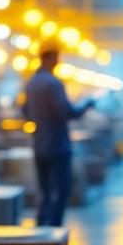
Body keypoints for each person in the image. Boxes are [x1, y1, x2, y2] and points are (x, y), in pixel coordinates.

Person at [21, 42, 95, 226]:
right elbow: (67, 112)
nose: (58, 62)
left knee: (44, 190)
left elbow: (25, 111)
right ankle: (54, 228)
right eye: (56, 59)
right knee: (62, 189)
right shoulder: (53, 84)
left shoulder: (31, 83)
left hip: (39, 144)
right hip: (57, 145)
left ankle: (41, 227)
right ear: (50, 58)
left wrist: (39, 124)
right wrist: (86, 106)